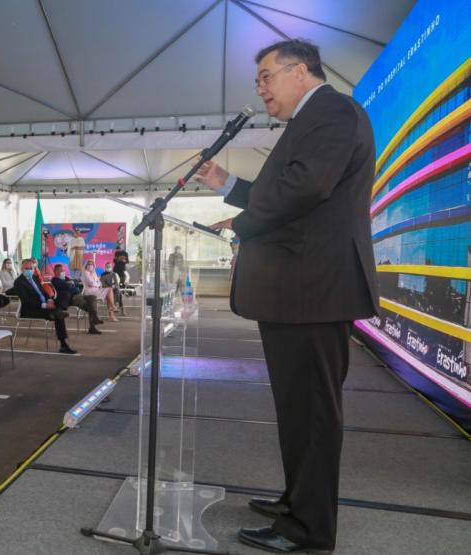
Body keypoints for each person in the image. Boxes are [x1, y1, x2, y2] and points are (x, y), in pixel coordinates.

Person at [194, 39, 378, 553]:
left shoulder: (334, 112)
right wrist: (226, 182)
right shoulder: (311, 121)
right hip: (299, 291)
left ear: (301, 71)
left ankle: (309, 530)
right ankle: (298, 500)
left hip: (314, 291)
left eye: (266, 77)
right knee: (298, 409)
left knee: (314, 413)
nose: (261, 89)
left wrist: (242, 222)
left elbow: (306, 188)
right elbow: (287, 189)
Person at [12, 259, 75, 354]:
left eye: (31, 268)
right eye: (27, 268)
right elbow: (26, 301)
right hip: (31, 309)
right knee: (58, 316)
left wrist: (49, 300)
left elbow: (43, 292)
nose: (29, 270)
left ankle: (58, 310)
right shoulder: (18, 282)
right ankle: (63, 345)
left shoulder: (34, 278)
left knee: (64, 294)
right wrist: (45, 305)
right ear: (22, 269)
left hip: (44, 303)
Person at [51, 264, 102, 334]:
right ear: (55, 272)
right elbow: (67, 286)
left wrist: (70, 284)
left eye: (63, 270)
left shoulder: (65, 278)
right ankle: (93, 323)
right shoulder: (55, 280)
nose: (63, 272)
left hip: (79, 295)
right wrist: (70, 284)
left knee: (93, 298)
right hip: (72, 298)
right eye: (61, 271)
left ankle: (94, 318)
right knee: (91, 306)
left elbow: (74, 284)